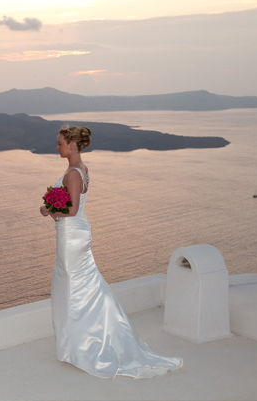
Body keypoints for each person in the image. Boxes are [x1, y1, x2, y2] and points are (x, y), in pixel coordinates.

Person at [40, 125, 183, 379]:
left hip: (71, 235)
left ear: (72, 144)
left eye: (60, 143)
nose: (57, 147)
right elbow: (74, 208)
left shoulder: (73, 173)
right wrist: (54, 207)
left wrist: (48, 209)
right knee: (82, 285)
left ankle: (81, 346)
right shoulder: (81, 169)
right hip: (76, 232)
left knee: (71, 286)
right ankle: (80, 342)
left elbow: (70, 211)